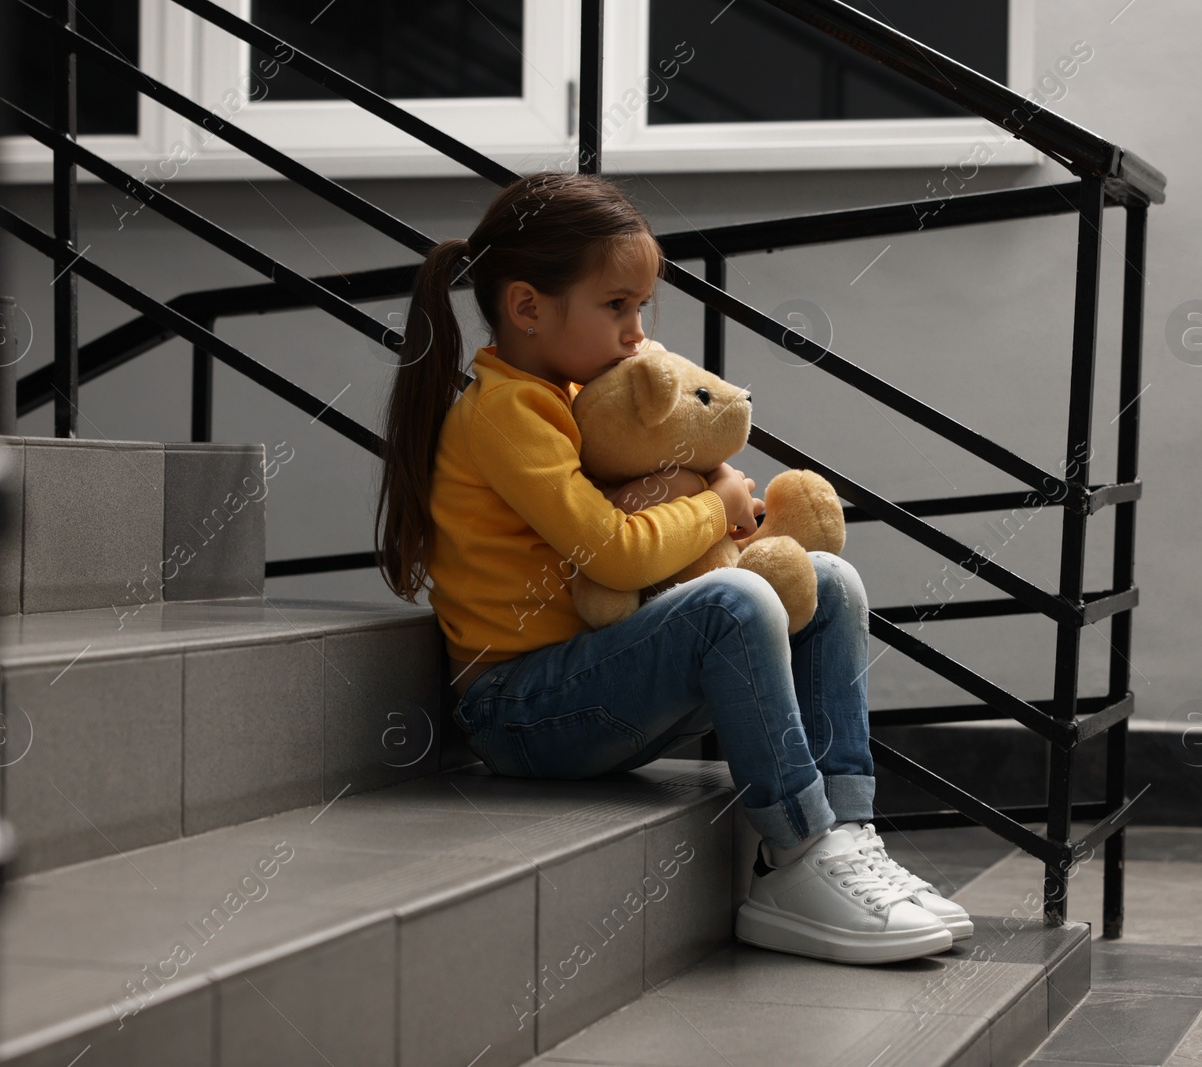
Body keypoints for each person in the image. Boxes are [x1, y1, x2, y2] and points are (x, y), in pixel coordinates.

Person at [374, 170, 968, 964]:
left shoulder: (578, 393)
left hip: (595, 677)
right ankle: (797, 849)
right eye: (616, 306)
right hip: (521, 711)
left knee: (829, 584)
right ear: (526, 307)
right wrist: (718, 505)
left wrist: (704, 483)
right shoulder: (505, 412)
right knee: (733, 600)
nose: (635, 332)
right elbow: (611, 552)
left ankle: (847, 836)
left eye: (641, 309)